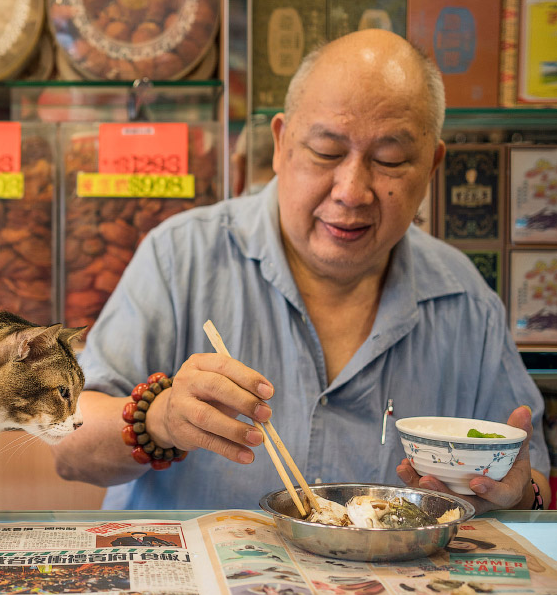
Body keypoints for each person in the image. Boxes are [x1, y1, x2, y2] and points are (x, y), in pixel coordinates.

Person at [54, 29, 550, 514]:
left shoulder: (464, 300)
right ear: (281, 142)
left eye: (390, 159)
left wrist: (520, 497)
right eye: (327, 152)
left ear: (432, 167)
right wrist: (159, 419)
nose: (351, 191)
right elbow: (69, 446)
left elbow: (533, 482)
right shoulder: (181, 256)